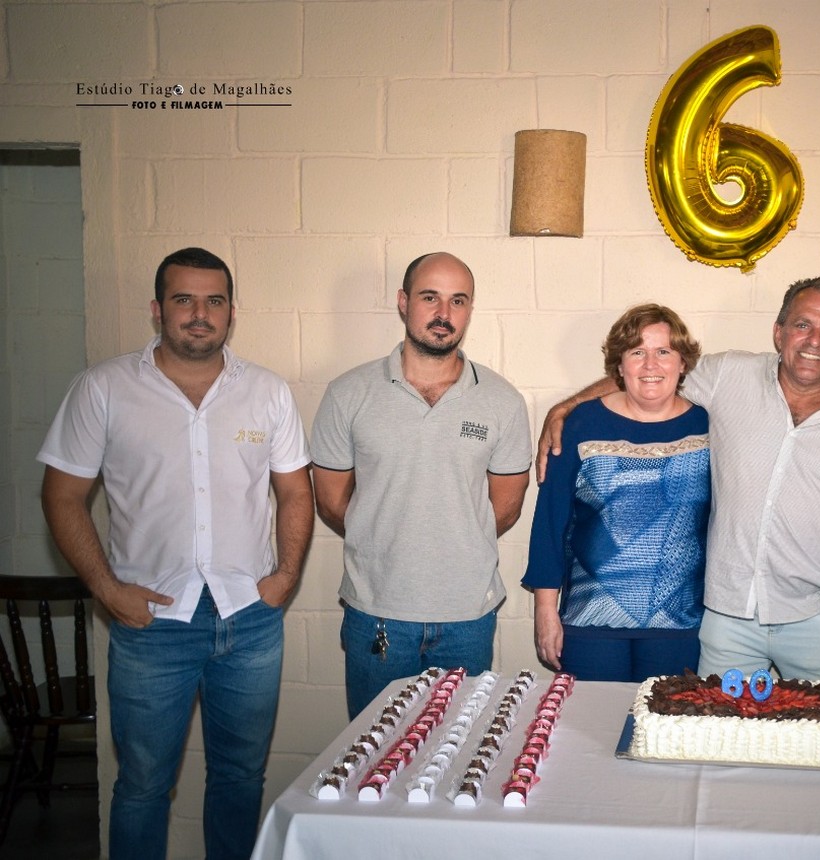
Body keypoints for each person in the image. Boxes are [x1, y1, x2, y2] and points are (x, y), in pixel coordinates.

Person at [37, 247, 314, 860]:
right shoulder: (104, 388)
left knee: (240, 779)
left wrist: (286, 576)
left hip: (250, 620)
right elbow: (61, 496)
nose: (199, 314)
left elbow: (296, 491)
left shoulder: (267, 391)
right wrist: (108, 590)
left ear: (232, 312)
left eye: (214, 301)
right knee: (141, 788)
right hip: (151, 625)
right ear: (157, 309)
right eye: (183, 299)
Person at [538, 277, 820, 688]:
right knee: (711, 726)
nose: (814, 340)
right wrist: (566, 406)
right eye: (802, 324)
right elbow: (652, 376)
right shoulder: (729, 375)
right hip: (728, 622)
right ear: (779, 333)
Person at [312, 252, 532, 719]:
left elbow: (506, 507)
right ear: (403, 302)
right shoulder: (348, 393)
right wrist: (387, 535)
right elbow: (331, 502)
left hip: (467, 618)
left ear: (469, 310)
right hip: (377, 613)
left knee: (457, 751)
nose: (444, 313)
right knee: (373, 751)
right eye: (430, 297)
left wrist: (450, 539)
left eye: (458, 300)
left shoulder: (502, 401)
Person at [523, 304, 710, 681]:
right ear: (619, 365)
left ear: (682, 363)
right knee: (591, 719)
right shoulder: (581, 423)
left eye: (663, 351)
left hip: (681, 624)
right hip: (589, 621)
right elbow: (550, 521)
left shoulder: (708, 425)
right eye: (637, 352)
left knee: (666, 721)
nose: (650, 364)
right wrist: (545, 609)